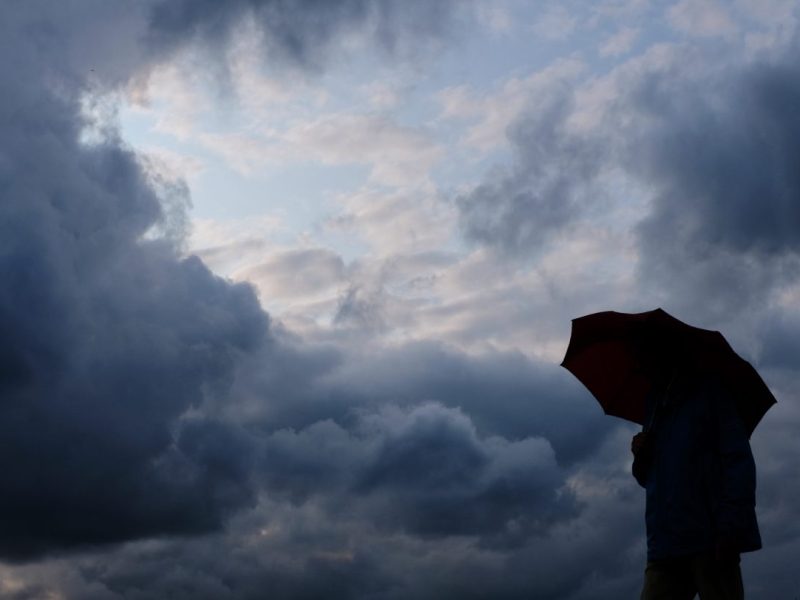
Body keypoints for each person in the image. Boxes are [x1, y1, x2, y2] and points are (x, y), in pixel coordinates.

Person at [631, 357, 762, 600]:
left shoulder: (710, 394)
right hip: (664, 544)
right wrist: (641, 456)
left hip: (711, 540)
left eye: (643, 354)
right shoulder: (655, 404)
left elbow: (738, 463)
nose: (639, 364)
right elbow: (650, 478)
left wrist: (730, 529)